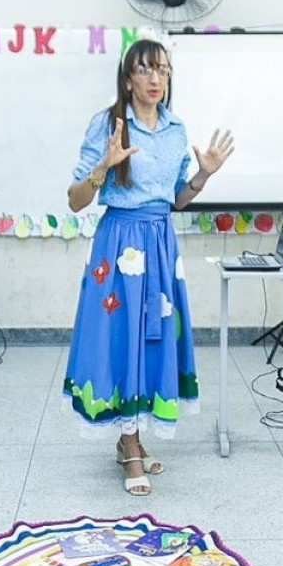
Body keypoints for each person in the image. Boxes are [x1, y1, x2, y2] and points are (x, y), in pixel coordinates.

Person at [64, 40, 232, 495]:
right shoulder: (107, 125)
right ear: (127, 78)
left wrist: (203, 176)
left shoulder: (177, 129)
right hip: (119, 245)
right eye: (145, 70)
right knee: (122, 339)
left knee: (154, 339)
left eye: (163, 70)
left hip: (159, 243)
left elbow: (174, 198)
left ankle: (129, 441)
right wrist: (104, 166)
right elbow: (76, 200)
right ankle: (131, 446)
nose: (156, 79)